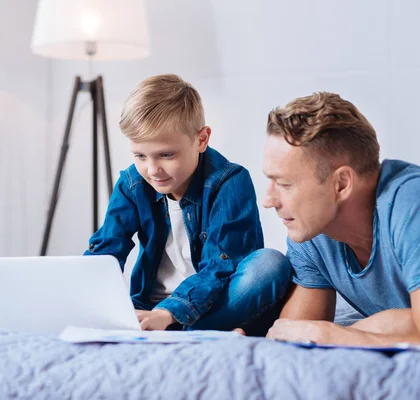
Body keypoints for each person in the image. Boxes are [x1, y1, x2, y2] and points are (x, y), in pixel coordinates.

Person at [262, 91, 420, 348]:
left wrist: (341, 333)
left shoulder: (417, 203)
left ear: (341, 183)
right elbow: (289, 336)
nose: (268, 200)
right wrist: (390, 325)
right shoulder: (312, 231)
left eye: (284, 184)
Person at [85, 74, 291, 334]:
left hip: (211, 305)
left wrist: (169, 312)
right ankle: (177, 330)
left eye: (166, 155)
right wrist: (83, 299)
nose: (152, 170)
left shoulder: (229, 181)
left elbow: (221, 266)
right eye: (140, 155)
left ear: (201, 139)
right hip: (150, 306)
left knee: (270, 265)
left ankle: (188, 331)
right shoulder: (132, 183)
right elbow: (106, 250)